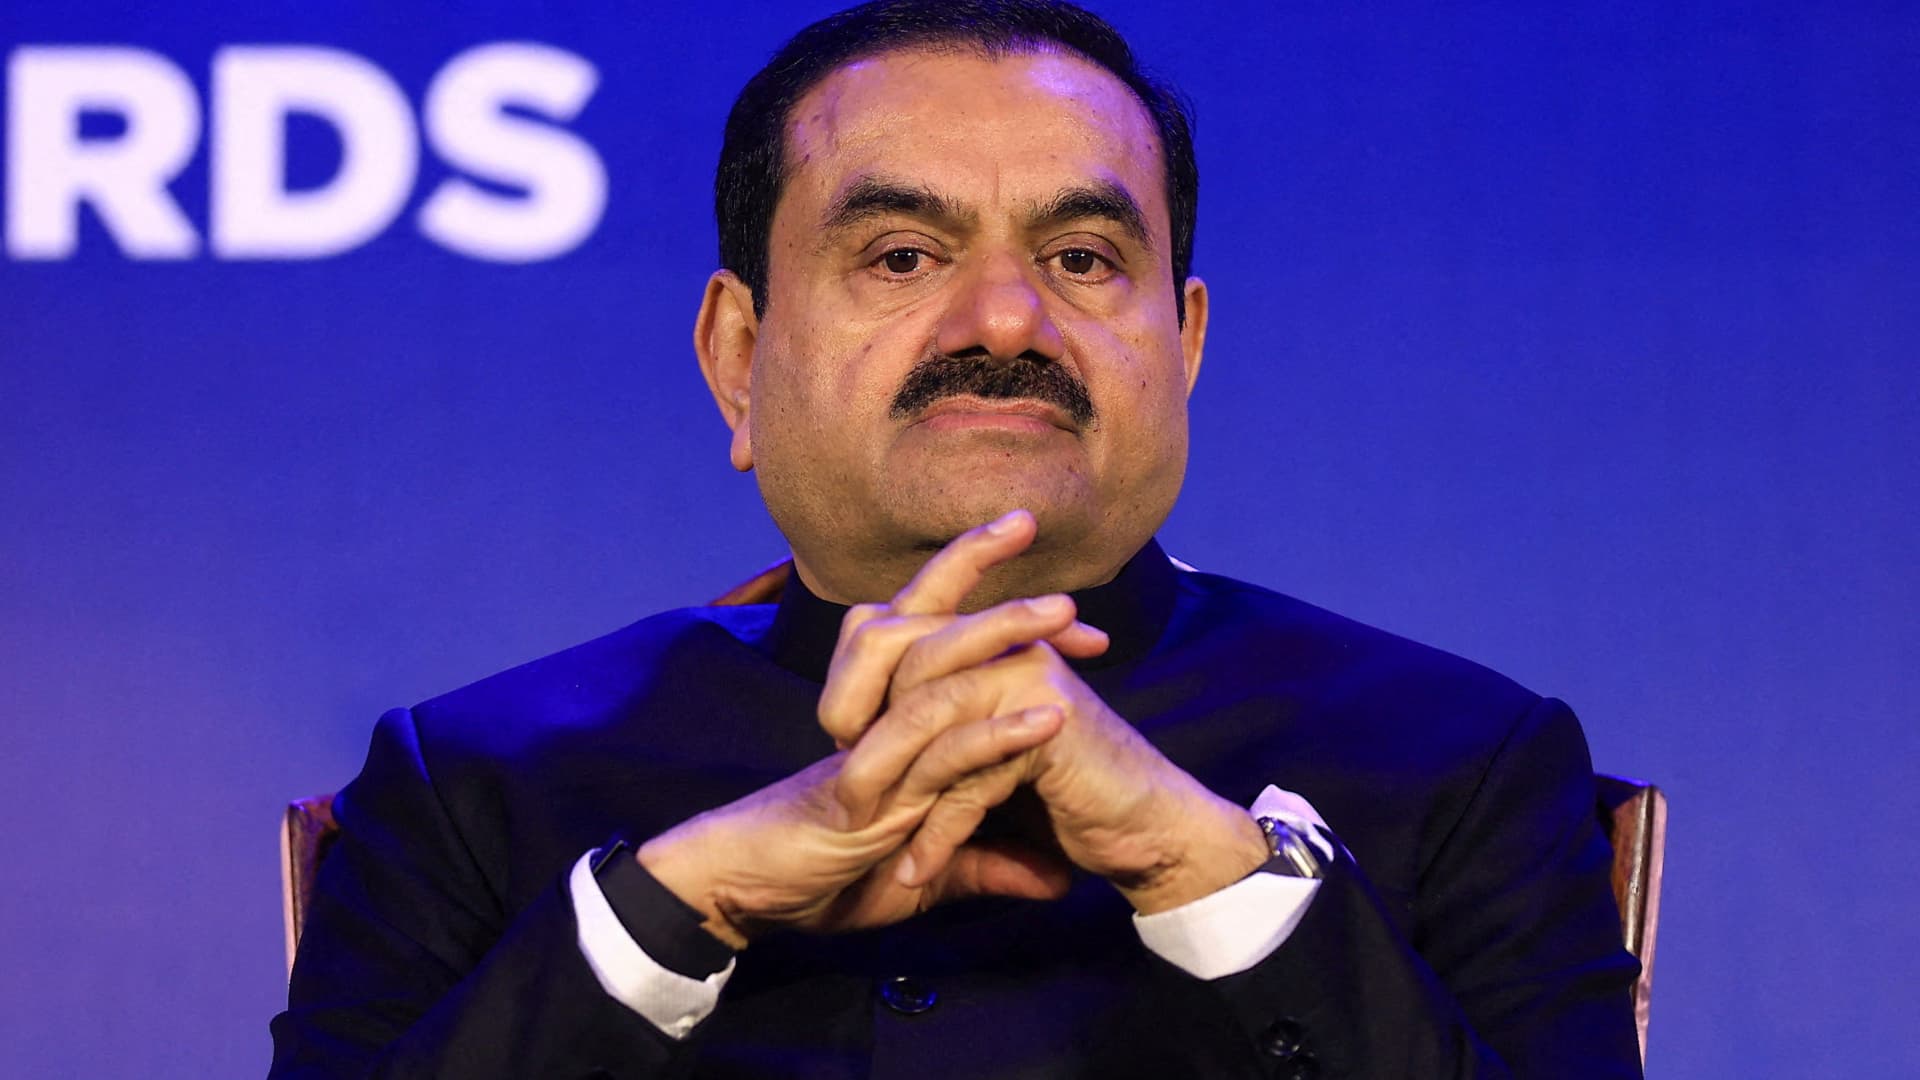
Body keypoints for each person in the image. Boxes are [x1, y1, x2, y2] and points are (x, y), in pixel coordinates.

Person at [269, 2, 1643, 1077]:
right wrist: (676, 905)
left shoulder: (1460, 763)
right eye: (901, 257)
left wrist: (1214, 873)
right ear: (739, 358)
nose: (1004, 319)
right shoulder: (479, 784)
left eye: (1083, 259)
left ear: (1185, 348)